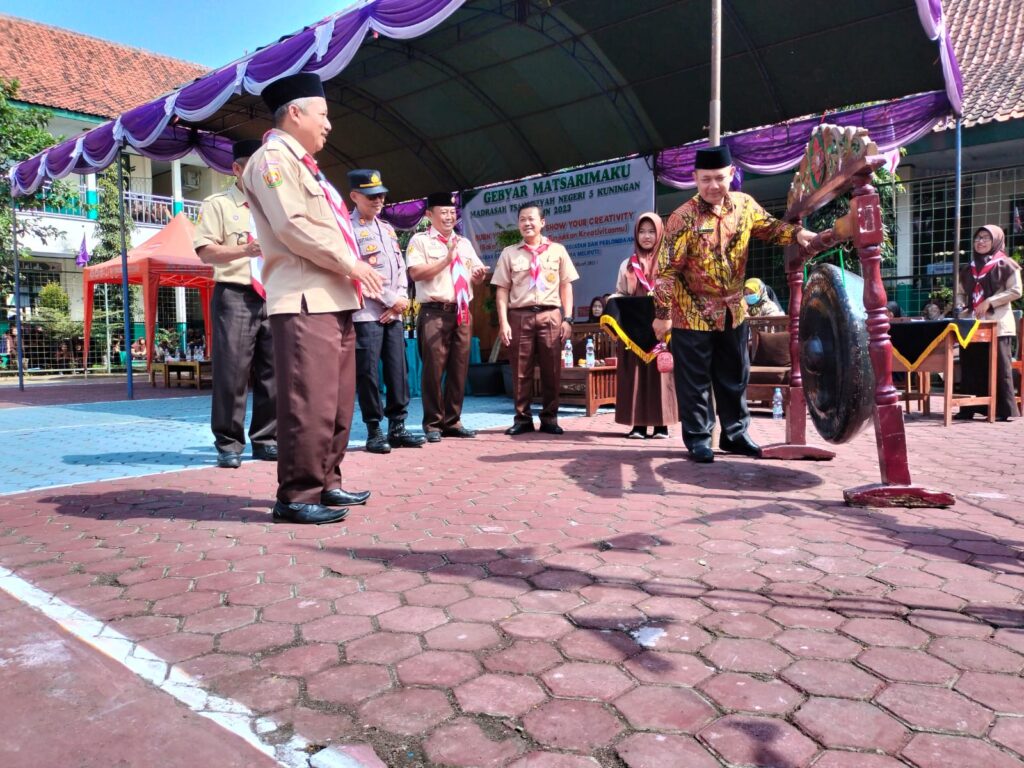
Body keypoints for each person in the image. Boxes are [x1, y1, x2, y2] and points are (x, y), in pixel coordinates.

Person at [242, 72, 385, 525]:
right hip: (305, 299)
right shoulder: (272, 161)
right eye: (323, 115)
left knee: (339, 401)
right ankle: (297, 494)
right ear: (296, 113)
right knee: (309, 401)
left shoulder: (309, 169)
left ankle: (328, 483)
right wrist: (350, 263)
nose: (329, 125)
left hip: (334, 297)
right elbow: (291, 227)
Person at [652, 145, 816, 463]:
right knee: (695, 381)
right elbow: (665, 272)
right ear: (694, 179)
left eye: (719, 178)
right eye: (705, 179)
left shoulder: (745, 206)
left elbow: (769, 227)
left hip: (733, 313)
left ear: (731, 174)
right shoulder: (681, 218)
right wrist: (662, 314)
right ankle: (699, 439)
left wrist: (798, 235)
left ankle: (735, 434)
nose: (713, 185)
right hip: (691, 315)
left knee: (735, 376)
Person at [194, 139, 278, 469]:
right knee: (232, 372)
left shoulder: (273, 206)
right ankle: (229, 443)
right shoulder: (218, 205)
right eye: (252, 168)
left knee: (273, 371)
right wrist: (244, 251)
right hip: (236, 293)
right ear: (237, 170)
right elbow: (205, 251)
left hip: (273, 294)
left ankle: (266, 438)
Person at [348, 169, 425, 453]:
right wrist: (392, 299)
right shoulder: (347, 229)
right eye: (371, 196)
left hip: (393, 314)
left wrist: (400, 301)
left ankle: (398, 427)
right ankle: (374, 429)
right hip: (366, 313)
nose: (378, 200)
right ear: (355, 196)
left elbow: (401, 269)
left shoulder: (388, 228)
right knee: (368, 374)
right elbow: (355, 272)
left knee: (397, 371)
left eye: (381, 195)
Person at [406, 192, 488, 442]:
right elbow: (416, 273)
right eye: (444, 212)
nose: (449, 216)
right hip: (434, 312)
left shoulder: (463, 242)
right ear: (429, 215)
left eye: (452, 212)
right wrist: (446, 260)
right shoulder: (419, 241)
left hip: (462, 311)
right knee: (433, 368)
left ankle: (453, 420)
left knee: (459, 368)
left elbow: (475, 270)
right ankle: (432, 423)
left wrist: (478, 275)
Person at [493, 202, 580, 435]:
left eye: (531, 219)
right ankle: (522, 419)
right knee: (520, 371)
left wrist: (568, 318)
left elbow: (566, 285)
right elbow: (501, 290)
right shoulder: (509, 253)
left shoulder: (558, 251)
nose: (527, 223)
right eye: (522, 219)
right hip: (519, 316)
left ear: (542, 222)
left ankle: (550, 418)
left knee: (552, 369)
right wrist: (503, 322)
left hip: (550, 315)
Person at [612, 212, 678, 439]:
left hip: (663, 330)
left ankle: (662, 425)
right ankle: (638, 425)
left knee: (662, 375)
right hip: (634, 331)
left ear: (660, 233)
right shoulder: (627, 265)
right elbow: (620, 292)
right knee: (636, 376)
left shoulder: (670, 262)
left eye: (651, 231)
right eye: (642, 231)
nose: (647, 236)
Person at [954, 224, 1021, 422]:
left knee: (999, 367)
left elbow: (1017, 291)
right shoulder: (969, 268)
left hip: (997, 324)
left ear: (997, 241)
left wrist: (990, 301)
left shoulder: (1007, 265)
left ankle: (1003, 410)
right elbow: (959, 293)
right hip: (973, 324)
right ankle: (970, 408)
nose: (980, 241)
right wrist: (960, 306)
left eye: (986, 238)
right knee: (972, 365)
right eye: (978, 238)